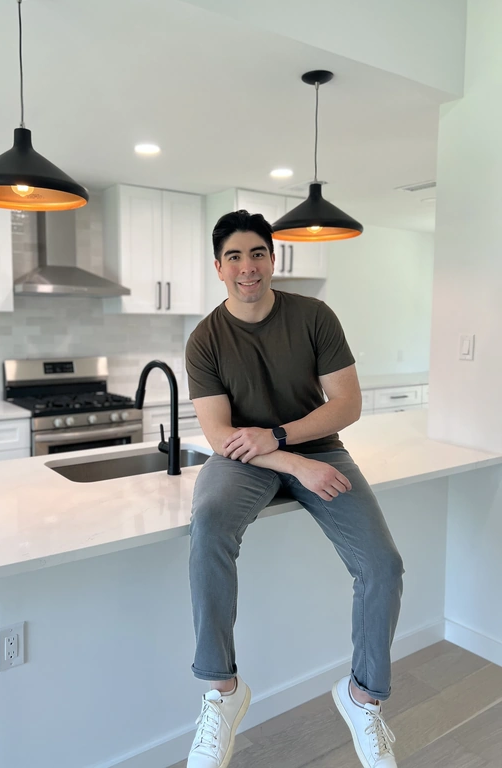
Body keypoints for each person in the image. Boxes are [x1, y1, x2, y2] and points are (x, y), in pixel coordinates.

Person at [184, 210, 404, 768]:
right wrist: (289, 462)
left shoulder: (314, 316)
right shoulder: (205, 339)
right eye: (234, 256)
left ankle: (363, 698)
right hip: (244, 459)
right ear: (218, 267)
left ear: (272, 258)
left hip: (319, 449)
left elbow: (346, 406)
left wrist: (284, 439)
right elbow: (218, 434)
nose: (247, 267)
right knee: (208, 522)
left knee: (382, 564)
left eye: (257, 253)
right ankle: (223, 693)